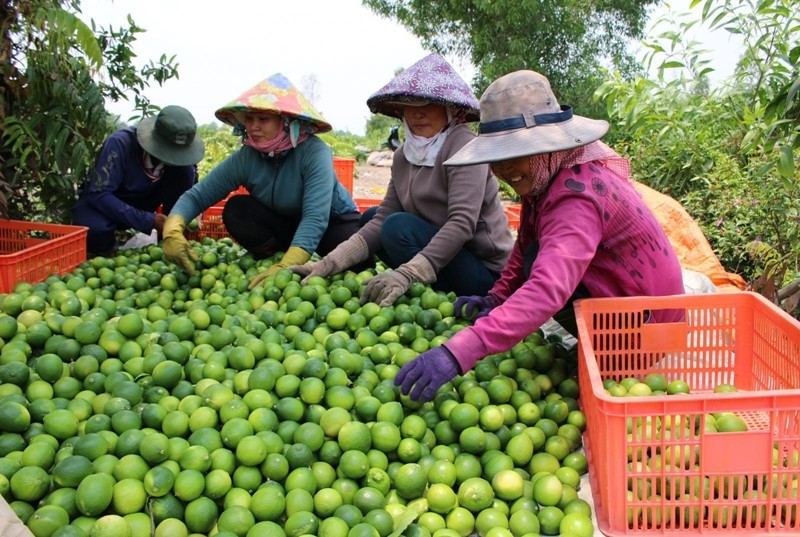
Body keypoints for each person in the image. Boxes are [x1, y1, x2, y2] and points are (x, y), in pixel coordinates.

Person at [395, 70, 685, 402]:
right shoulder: (547, 177)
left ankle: (617, 367)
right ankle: (602, 353)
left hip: (650, 329)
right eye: (497, 159)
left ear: (549, 147)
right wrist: (497, 298)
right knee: (535, 255)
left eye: (516, 154)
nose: (505, 170)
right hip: (630, 309)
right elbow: (525, 244)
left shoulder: (577, 195)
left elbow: (548, 287)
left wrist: (457, 352)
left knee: (541, 268)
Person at [290, 54, 514, 305]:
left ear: (450, 109)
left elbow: (461, 223)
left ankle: (427, 289)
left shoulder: (465, 147)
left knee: (397, 227)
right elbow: (382, 218)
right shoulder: (404, 155)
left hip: (486, 273)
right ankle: (421, 290)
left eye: (429, 104)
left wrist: (407, 274)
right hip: (442, 256)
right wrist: (327, 264)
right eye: (410, 106)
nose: (418, 114)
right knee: (372, 217)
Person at [162, 73, 360, 281]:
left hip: (332, 222)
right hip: (286, 224)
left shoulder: (314, 152)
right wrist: (172, 230)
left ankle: (294, 256)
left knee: (356, 260)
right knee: (237, 209)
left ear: (284, 122)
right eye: (249, 119)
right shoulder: (247, 157)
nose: (253, 126)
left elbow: (315, 217)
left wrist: (288, 266)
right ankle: (275, 256)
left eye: (263, 119)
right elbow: (197, 196)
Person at [73, 106, 204, 256]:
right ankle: (106, 252)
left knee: (186, 171)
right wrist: (149, 220)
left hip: (145, 200)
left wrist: (192, 210)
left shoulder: (180, 165)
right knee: (94, 228)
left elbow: (191, 189)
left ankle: (168, 242)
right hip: (107, 204)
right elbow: (99, 195)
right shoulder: (120, 144)